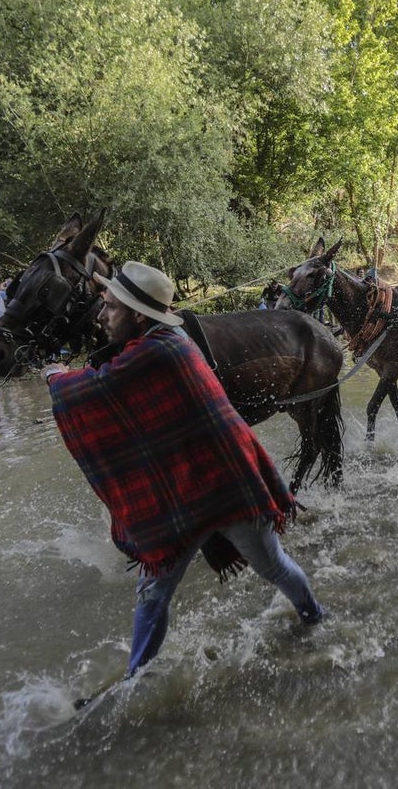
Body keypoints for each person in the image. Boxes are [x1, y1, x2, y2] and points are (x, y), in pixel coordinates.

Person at [41, 261, 325, 680]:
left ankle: (315, 616)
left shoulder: (158, 351)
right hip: (192, 489)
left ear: (139, 315)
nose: (102, 316)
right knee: (154, 589)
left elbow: (94, 389)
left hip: (228, 489)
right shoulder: (165, 341)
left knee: (272, 567)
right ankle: (137, 677)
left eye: (111, 307)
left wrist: (55, 378)